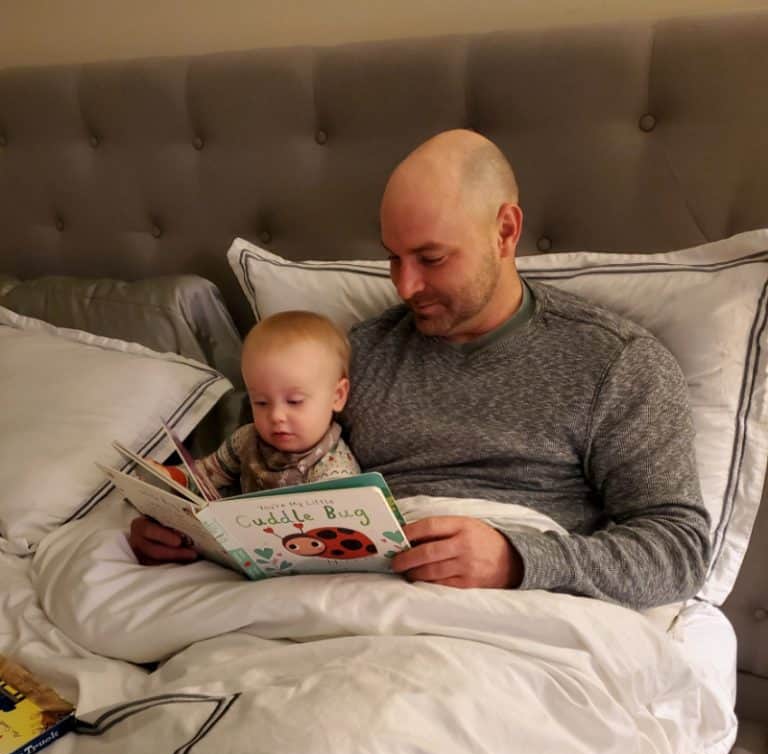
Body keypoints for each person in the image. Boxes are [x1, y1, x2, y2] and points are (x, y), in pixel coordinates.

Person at [130, 130, 710, 609]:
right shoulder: (359, 353)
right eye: (393, 258)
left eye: (431, 259)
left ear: (505, 231)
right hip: (350, 602)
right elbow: (266, 470)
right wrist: (183, 524)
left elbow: (679, 551)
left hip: (513, 614)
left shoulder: (615, 364)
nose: (405, 286)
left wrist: (516, 559)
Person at [133, 310, 359, 564]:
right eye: (260, 402)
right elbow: (206, 475)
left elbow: (335, 535)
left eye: (294, 402)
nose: (276, 416)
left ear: (337, 396)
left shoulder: (334, 468)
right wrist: (169, 479)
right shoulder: (246, 440)